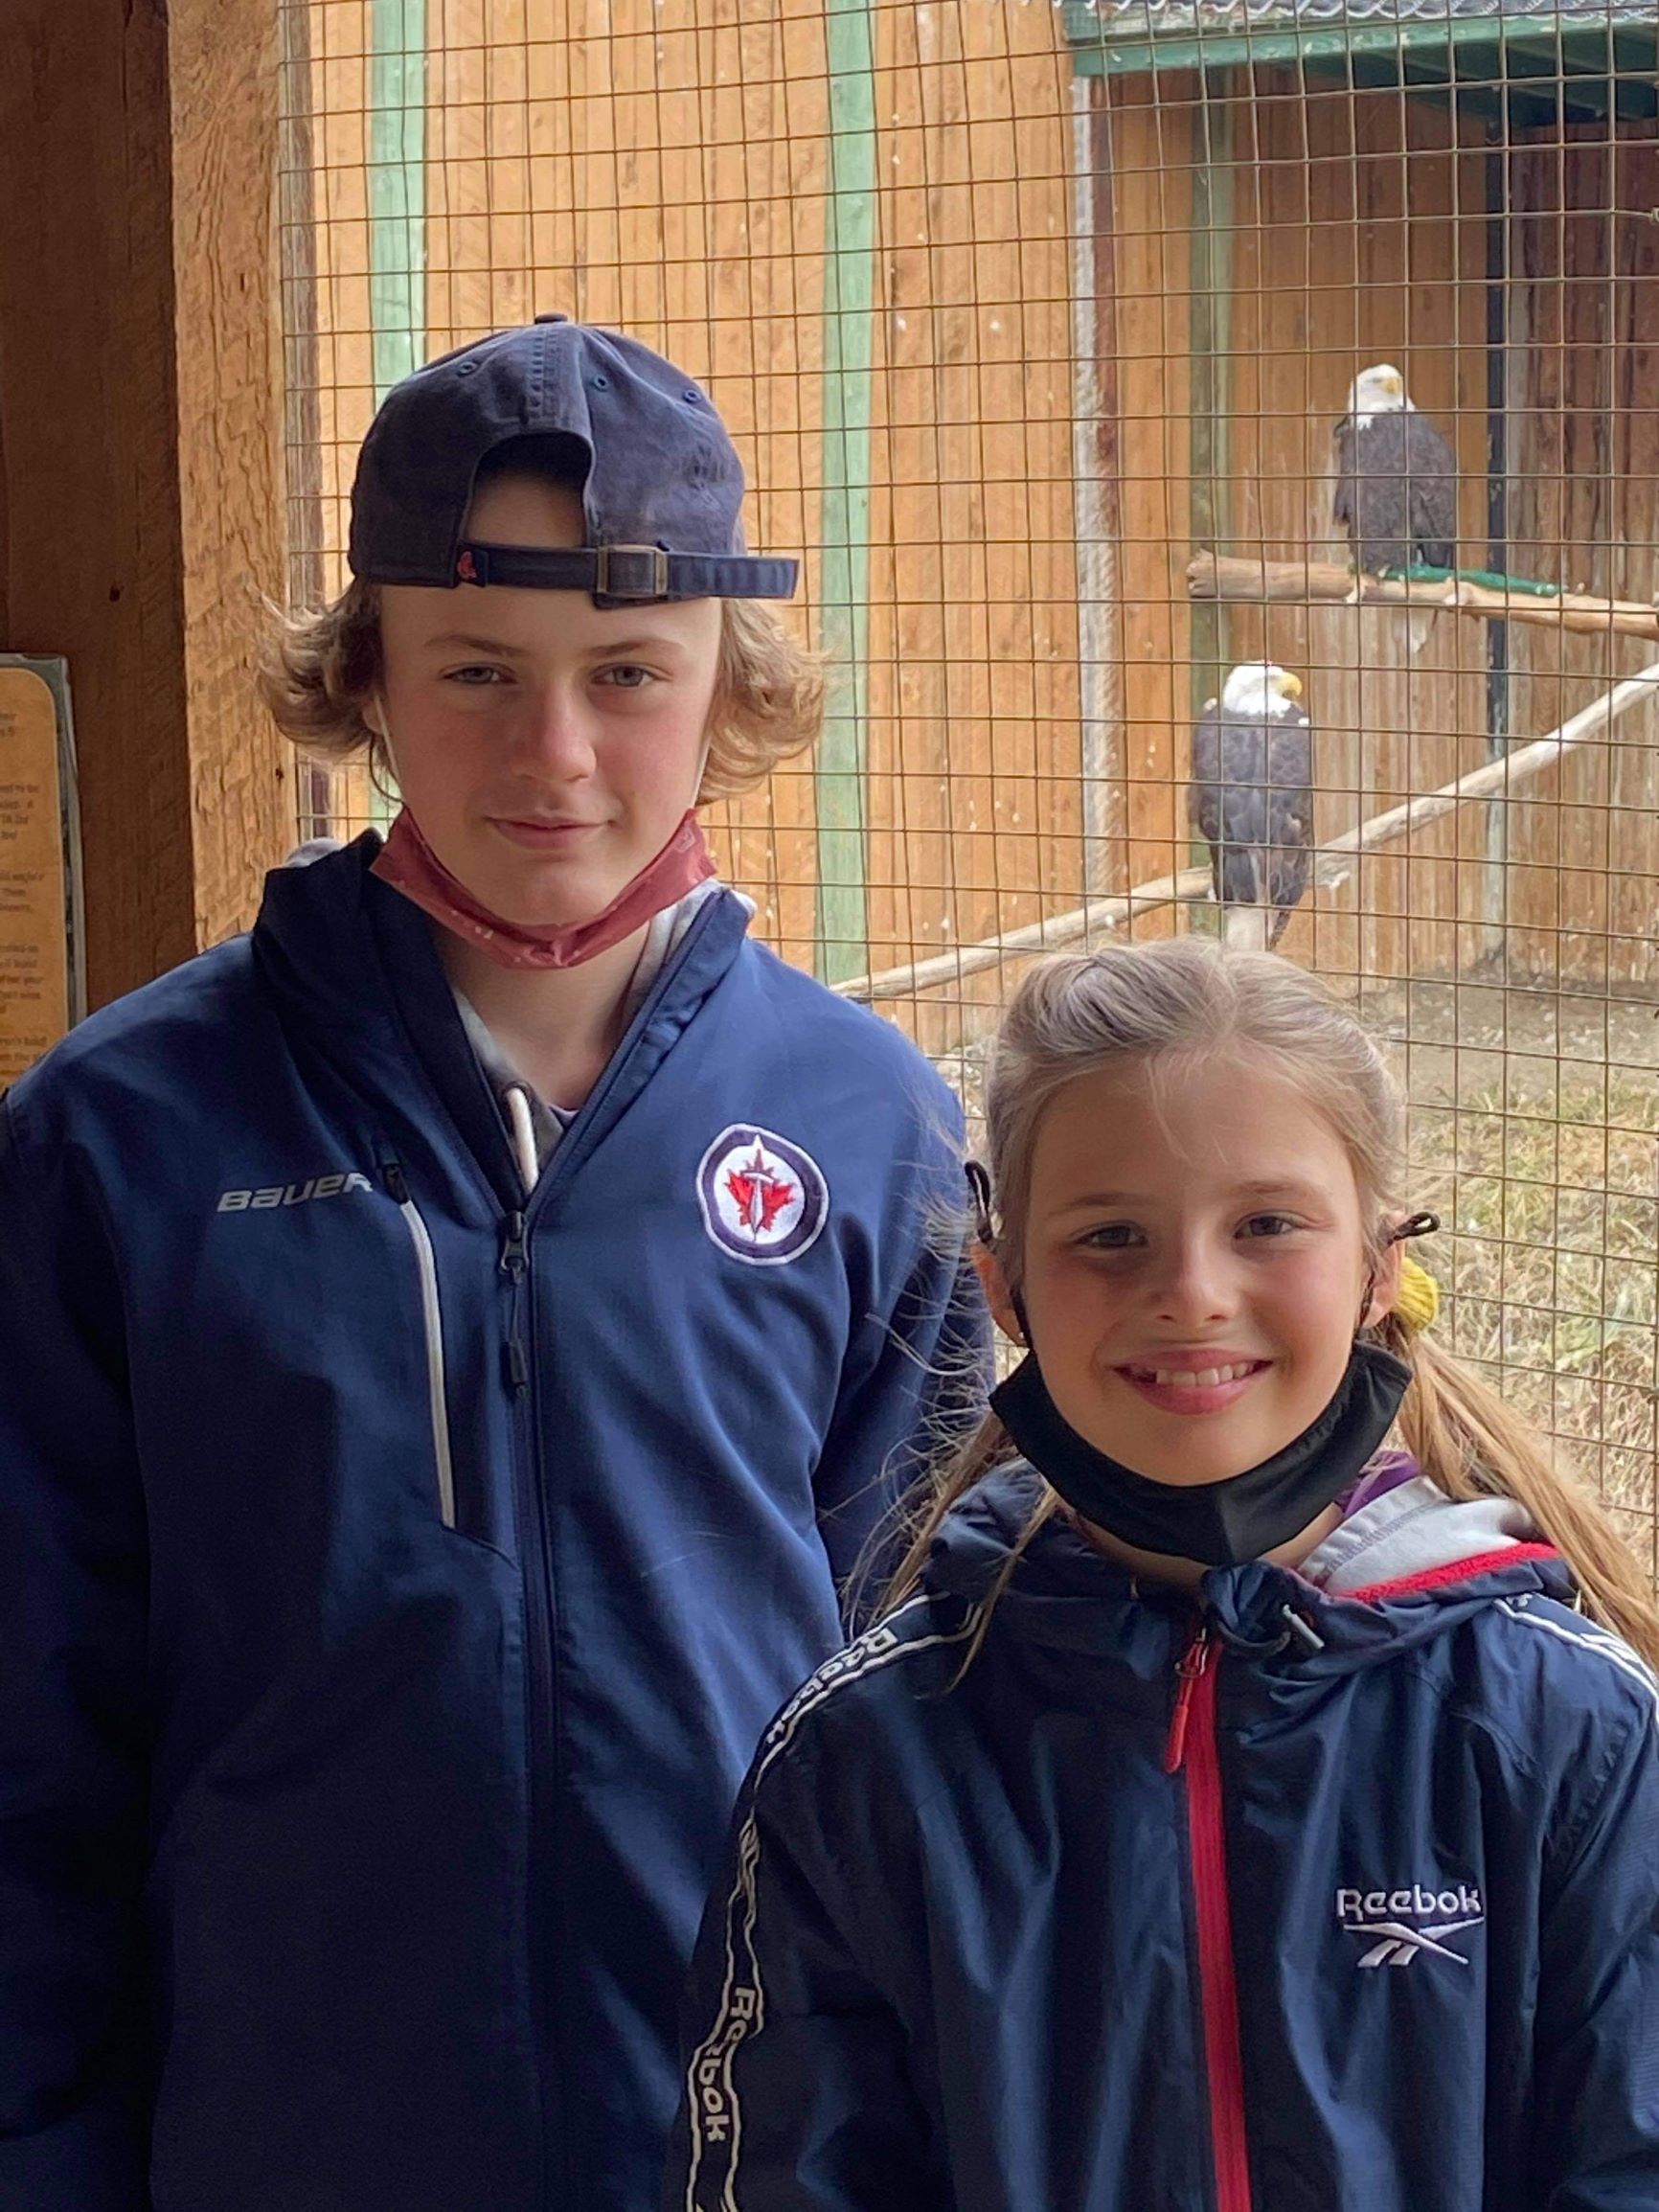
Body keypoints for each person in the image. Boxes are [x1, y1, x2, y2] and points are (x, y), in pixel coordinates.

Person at [0, 318, 979, 2212]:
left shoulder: (871, 1137)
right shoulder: (119, 1139)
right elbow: (28, 1745)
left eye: (626, 673)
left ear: (724, 682)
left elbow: (936, 1740)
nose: (553, 753)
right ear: (365, 675)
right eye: (474, 671)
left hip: (744, 2164)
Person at [668, 936, 1659, 2212]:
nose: (1191, 1291)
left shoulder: (1568, 1729)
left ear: (1377, 1262)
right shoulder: (870, 1758)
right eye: (1112, 1234)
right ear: (1004, 1284)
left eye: (1265, 1224)